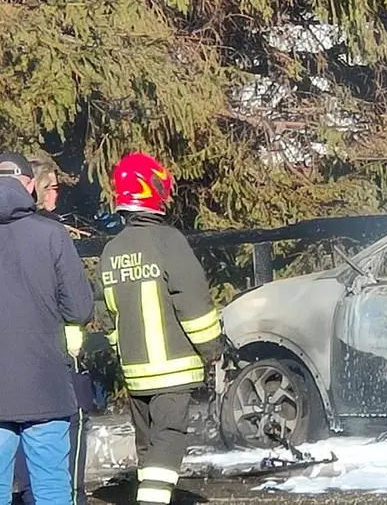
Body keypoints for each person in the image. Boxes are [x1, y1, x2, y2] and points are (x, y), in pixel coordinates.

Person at [98, 152, 223, 505]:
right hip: (173, 369)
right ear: (154, 190)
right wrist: (212, 347)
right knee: (168, 438)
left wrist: (120, 350)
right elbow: (194, 302)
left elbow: (105, 313)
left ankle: (150, 494)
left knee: (148, 444)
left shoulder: (112, 250)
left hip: (135, 371)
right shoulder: (169, 242)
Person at [0, 152, 94, 504]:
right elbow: (80, 308)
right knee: (52, 488)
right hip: (46, 386)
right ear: (28, 185)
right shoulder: (51, 235)